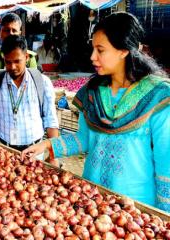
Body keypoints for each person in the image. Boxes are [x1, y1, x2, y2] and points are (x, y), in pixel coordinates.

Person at [22, 12, 170, 211]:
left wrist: (163, 215)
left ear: (124, 50)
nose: (92, 57)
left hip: (136, 210)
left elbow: (166, 164)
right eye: (93, 49)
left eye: (100, 50)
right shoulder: (93, 92)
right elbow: (84, 138)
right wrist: (48, 146)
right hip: (91, 200)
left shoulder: (157, 96)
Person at [0, 35, 59, 152]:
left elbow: (51, 120)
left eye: (17, 61)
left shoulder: (42, 82)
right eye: (8, 62)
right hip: (2, 149)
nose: (12, 67)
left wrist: (53, 155)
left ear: (26, 57)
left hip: (33, 151)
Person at [0, 13, 38, 96]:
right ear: (0, 33)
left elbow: (33, 91)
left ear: (20, 33)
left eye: (14, 30)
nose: (11, 34)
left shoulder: (29, 58)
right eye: (7, 30)